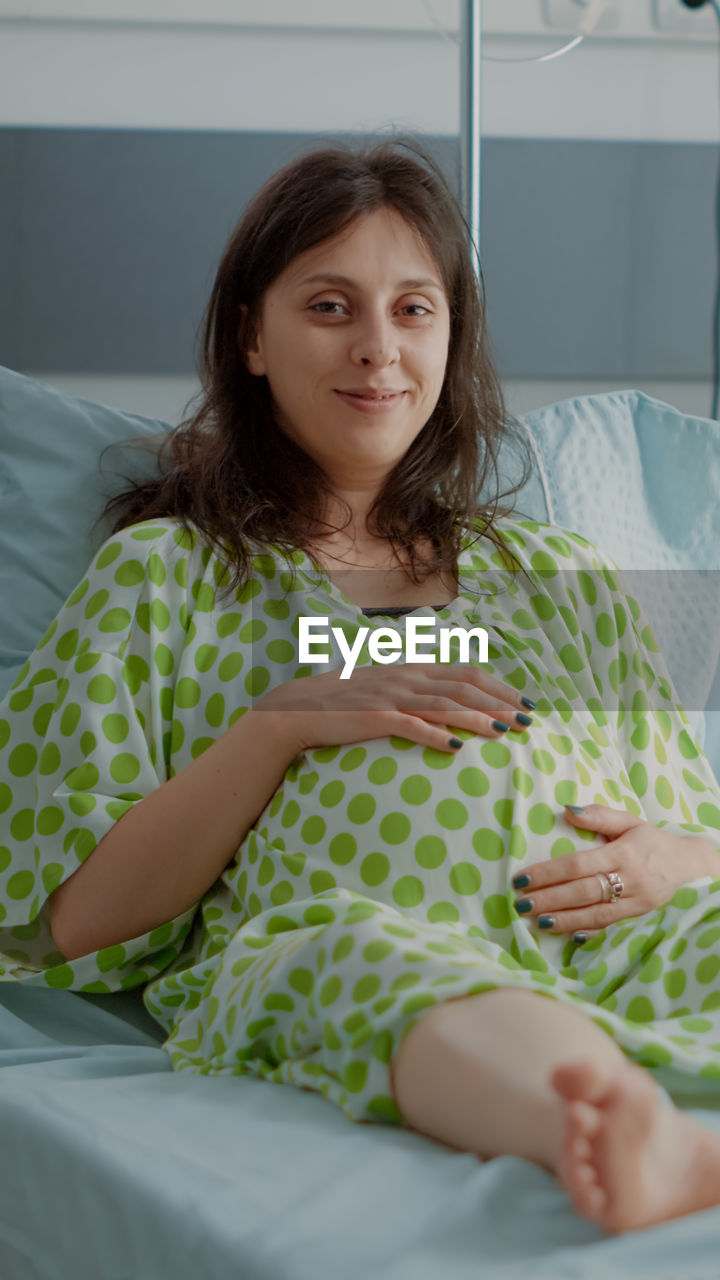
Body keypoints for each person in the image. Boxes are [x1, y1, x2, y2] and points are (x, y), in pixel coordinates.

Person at [2, 134, 720, 1237]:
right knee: (373, 964)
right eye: (330, 306)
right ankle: (621, 1125)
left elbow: (698, 826)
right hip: (344, 933)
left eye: (413, 309)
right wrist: (274, 728)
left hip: (611, 934)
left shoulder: (562, 570)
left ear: (453, 335)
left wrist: (668, 860)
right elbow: (74, 917)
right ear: (252, 334)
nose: (378, 350)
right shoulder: (163, 576)